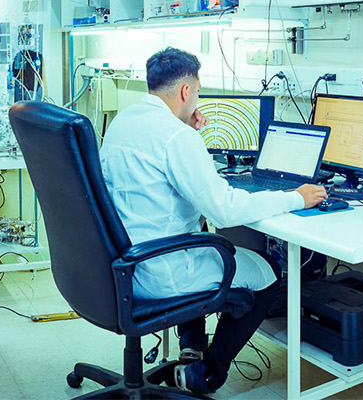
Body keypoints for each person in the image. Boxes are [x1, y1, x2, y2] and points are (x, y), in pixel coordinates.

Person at [98, 47, 326, 394]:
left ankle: (192, 345)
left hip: (124, 263)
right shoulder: (177, 137)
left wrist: (187, 132)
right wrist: (297, 197)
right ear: (186, 91)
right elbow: (225, 210)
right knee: (268, 272)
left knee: (198, 230)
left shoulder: (124, 121)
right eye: (198, 92)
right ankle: (207, 374)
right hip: (162, 273)